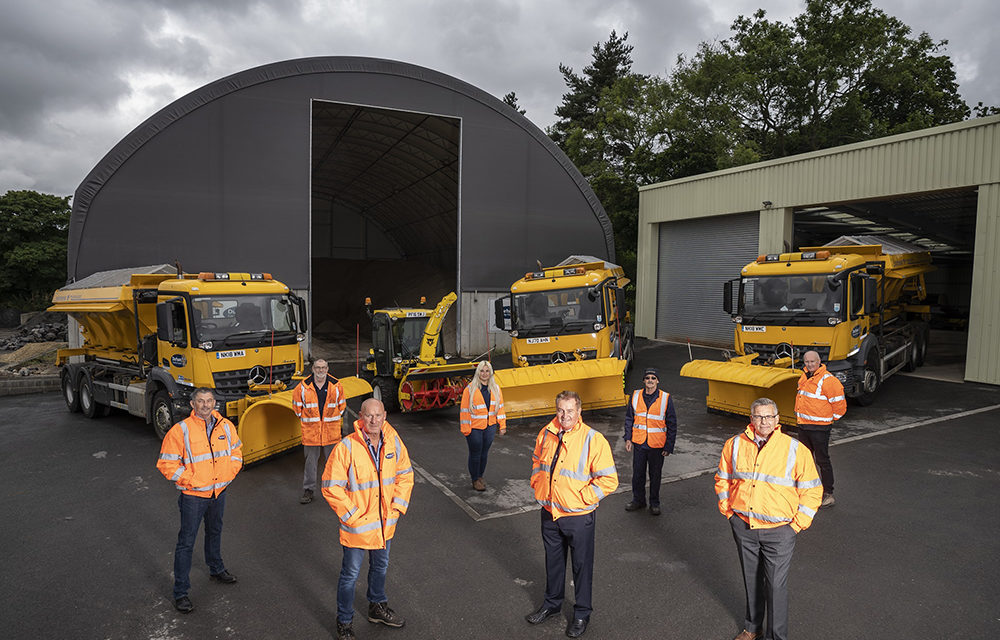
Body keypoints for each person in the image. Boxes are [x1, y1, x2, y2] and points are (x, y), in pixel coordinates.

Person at [715, 397, 822, 640]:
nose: (764, 421)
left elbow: (813, 490)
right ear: (751, 419)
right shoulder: (733, 445)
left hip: (780, 531)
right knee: (751, 580)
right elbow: (723, 478)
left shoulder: (794, 449)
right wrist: (728, 511)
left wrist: (797, 525)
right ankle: (753, 629)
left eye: (769, 417)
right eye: (759, 416)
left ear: (777, 420)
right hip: (744, 526)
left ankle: (776, 637)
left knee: (775, 587)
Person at [525, 391, 618, 639]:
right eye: (560, 410)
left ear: (579, 412)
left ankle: (582, 613)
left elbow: (609, 480)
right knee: (553, 564)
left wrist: (581, 499)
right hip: (550, 513)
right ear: (556, 410)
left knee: (581, 566)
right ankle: (552, 604)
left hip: (578, 516)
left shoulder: (593, 439)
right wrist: (537, 483)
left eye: (570, 411)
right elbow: (537, 460)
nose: (565, 416)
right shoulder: (546, 433)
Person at [322, 398, 413, 640]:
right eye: (369, 416)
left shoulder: (393, 442)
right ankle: (344, 621)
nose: (373, 421)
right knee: (350, 575)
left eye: (378, 415)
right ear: (360, 418)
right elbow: (331, 486)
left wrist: (397, 508)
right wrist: (352, 515)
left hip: (385, 524)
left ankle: (377, 607)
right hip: (358, 527)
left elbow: (405, 475)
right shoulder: (347, 447)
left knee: (380, 567)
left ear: (385, 416)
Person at [156, 388, 243, 614]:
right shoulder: (180, 430)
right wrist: (190, 480)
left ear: (215, 402)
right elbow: (166, 464)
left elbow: (237, 452)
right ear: (192, 405)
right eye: (200, 401)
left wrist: (229, 474)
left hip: (218, 492)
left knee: (215, 532)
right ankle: (181, 593)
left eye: (209, 400)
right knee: (186, 543)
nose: (205, 405)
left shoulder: (226, 426)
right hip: (193, 496)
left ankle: (216, 568)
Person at [793, 350, 846, 508]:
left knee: (822, 461)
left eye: (812, 362)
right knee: (804, 461)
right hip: (804, 426)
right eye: (807, 362)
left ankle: (828, 494)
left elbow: (840, 406)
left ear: (819, 362)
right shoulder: (804, 376)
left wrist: (829, 420)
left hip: (819, 429)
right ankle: (807, 491)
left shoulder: (829, 380)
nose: (809, 365)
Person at [623, 367, 677, 515]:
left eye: (653, 378)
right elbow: (629, 419)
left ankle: (654, 503)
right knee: (638, 474)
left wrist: (669, 445)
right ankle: (638, 500)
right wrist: (628, 438)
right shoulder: (635, 396)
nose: (650, 381)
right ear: (644, 381)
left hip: (657, 445)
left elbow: (672, 423)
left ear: (657, 381)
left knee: (655, 475)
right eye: (647, 378)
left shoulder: (665, 398)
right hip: (640, 444)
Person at [292, 359, 346, 504]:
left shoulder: (336, 386)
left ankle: (335, 490)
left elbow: (342, 406)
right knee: (310, 464)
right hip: (311, 434)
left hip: (331, 433)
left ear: (327, 369)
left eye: (323, 368)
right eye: (317, 367)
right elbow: (297, 409)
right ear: (313, 369)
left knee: (334, 464)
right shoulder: (302, 387)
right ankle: (308, 490)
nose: (320, 370)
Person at [459, 360, 507, 491]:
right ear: (478, 372)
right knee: (475, 453)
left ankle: (480, 476)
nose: (484, 374)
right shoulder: (470, 389)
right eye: (482, 371)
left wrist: (502, 425)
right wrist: (466, 428)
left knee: (484, 454)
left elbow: (500, 407)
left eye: (487, 371)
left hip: (490, 426)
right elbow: (464, 410)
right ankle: (475, 479)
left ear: (490, 372)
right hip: (474, 427)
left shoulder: (496, 389)